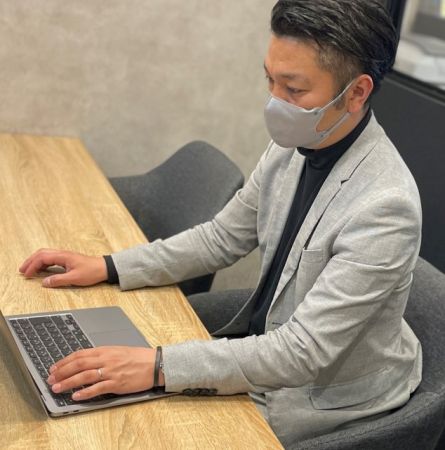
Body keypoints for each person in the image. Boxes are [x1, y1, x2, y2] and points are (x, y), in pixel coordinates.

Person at [19, 0, 422, 445]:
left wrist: (156, 367)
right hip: (261, 353)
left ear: (357, 93)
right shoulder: (295, 143)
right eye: (270, 80)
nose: (275, 102)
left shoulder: (385, 206)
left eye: (293, 89)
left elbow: (302, 353)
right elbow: (221, 238)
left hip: (313, 396)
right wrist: (109, 266)